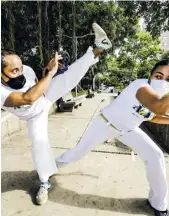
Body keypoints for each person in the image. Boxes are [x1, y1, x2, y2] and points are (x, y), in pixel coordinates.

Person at [1, 23, 112, 205]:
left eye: (20, 67)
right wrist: (51, 74)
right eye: (14, 71)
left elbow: (37, 82)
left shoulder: (27, 70)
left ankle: (98, 47)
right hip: (34, 114)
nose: (20, 72)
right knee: (39, 142)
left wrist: (47, 70)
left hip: (44, 97)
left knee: (69, 77)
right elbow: (28, 98)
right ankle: (45, 182)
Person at [55, 59, 169, 216]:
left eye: (168, 79)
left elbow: (153, 116)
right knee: (78, 153)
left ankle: (159, 204)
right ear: (150, 75)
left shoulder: (161, 95)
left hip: (128, 130)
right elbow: (159, 108)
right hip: (105, 124)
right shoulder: (141, 86)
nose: (163, 82)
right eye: (159, 76)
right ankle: (51, 167)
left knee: (155, 155)